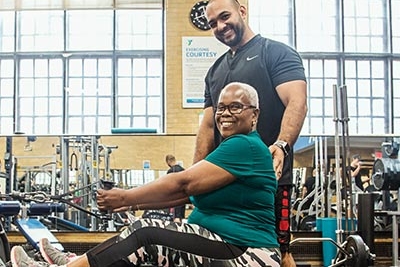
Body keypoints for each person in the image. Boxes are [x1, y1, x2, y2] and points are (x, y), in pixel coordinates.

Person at [10, 82, 281, 267]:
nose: (225, 114)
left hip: (248, 254)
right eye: (221, 108)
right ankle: (74, 261)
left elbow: (183, 184)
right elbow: (184, 195)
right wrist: (132, 203)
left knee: (147, 232)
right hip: (224, 243)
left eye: (236, 107)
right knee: (142, 238)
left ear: (254, 114)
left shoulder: (244, 145)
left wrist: (126, 196)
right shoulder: (233, 148)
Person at [193, 0, 308, 267]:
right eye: (212, 24)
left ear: (242, 12)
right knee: (220, 244)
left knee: (279, 250)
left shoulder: (276, 52)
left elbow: (297, 101)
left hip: (267, 177)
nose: (220, 27)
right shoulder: (215, 70)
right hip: (224, 176)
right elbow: (208, 125)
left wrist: (281, 145)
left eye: (225, 17)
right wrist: (194, 174)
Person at [165, 154, 186, 222]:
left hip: (175, 200)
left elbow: (168, 187)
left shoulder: (170, 171)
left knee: (176, 220)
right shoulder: (183, 170)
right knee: (181, 219)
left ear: (168, 162)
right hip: (183, 198)